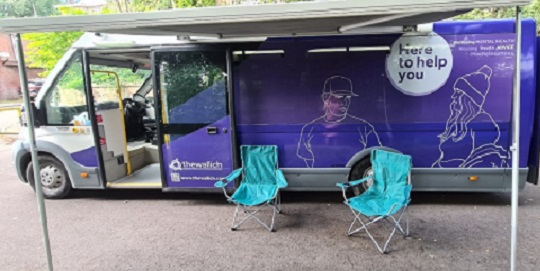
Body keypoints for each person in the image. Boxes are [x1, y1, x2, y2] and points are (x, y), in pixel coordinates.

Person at [432, 65, 509, 168]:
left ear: (468, 99)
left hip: (462, 175)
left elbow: (481, 156)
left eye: (458, 93)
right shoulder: (458, 122)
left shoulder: (481, 120)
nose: (453, 96)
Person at [297, 75, 381, 168]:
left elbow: (377, 157)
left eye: (347, 98)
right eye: (340, 98)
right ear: (326, 99)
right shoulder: (309, 129)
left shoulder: (364, 128)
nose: (344, 103)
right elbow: (303, 160)